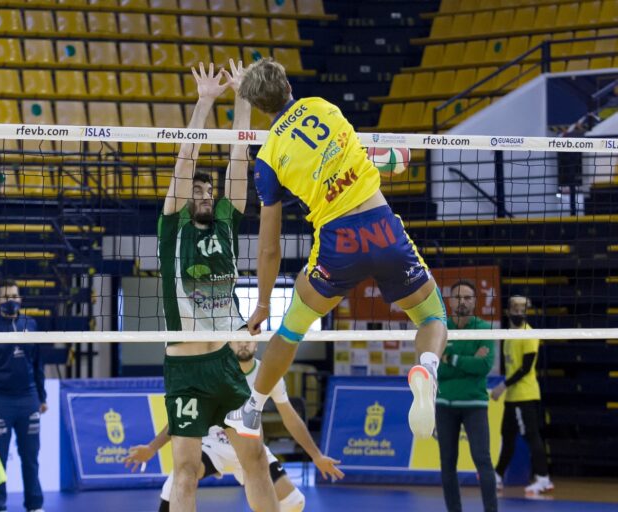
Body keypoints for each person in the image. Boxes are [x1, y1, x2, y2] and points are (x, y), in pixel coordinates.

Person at [225, 58, 447, 441]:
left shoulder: (266, 160)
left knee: (291, 330)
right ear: (288, 85)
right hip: (382, 228)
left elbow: (268, 249)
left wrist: (262, 303)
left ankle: (253, 408)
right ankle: (427, 367)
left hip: (338, 243)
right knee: (431, 317)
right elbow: (361, 154)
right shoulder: (324, 107)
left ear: (258, 107)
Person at [157, 61, 279, 512]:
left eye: (210, 192)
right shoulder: (172, 226)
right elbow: (185, 159)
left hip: (228, 364)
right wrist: (205, 102)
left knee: (256, 462)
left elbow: (238, 160)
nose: (205, 196)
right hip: (185, 369)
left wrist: (242, 98)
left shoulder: (227, 219)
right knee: (186, 473)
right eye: (198, 192)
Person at [125, 341, 344, 512]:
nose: (243, 344)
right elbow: (183, 419)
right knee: (178, 479)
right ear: (227, 344)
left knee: (295, 502)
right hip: (213, 448)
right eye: (237, 341)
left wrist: (316, 456)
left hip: (250, 449)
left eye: (247, 341)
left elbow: (290, 417)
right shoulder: (213, 372)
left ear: (256, 344)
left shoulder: (267, 374)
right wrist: (152, 448)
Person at [0, 279, 47, 512]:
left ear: (21, 299)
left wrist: (42, 397)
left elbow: (38, 365)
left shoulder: (30, 325)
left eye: (15, 296)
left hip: (28, 399)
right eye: (6, 297)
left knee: (31, 458)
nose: (11, 300)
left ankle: (35, 506)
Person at [437, 280, 497, 512]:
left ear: (475, 301)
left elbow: (483, 366)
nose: (462, 301)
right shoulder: (440, 328)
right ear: (450, 300)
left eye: (468, 297)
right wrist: (467, 361)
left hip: (474, 404)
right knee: (447, 464)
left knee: (483, 460)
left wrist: (450, 358)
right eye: (458, 296)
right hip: (444, 404)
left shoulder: (483, 328)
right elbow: (436, 369)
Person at [491, 295, 554, 497]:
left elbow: (525, 368)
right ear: (508, 311)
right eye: (515, 310)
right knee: (507, 436)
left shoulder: (529, 334)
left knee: (531, 435)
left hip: (525, 395)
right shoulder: (509, 335)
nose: (519, 313)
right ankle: (498, 476)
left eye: (522, 310)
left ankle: (543, 479)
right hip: (512, 397)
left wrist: (502, 385)